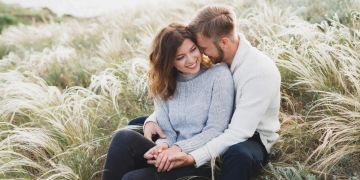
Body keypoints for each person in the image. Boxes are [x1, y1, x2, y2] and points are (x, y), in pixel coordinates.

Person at [143, 5, 281, 180]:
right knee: (136, 125)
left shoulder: (259, 72)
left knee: (239, 155)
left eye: (202, 48)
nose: (199, 54)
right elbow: (192, 102)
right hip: (213, 124)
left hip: (250, 137)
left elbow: (238, 133)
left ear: (223, 42)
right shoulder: (222, 60)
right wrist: (152, 119)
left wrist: (192, 157)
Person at [102, 23, 234, 180]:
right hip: (170, 154)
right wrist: (161, 148)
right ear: (169, 61)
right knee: (123, 137)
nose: (191, 60)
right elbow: (167, 132)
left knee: (132, 178)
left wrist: (179, 148)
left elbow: (215, 130)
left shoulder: (218, 75)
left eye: (193, 50)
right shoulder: (164, 83)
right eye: (180, 57)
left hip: (201, 161)